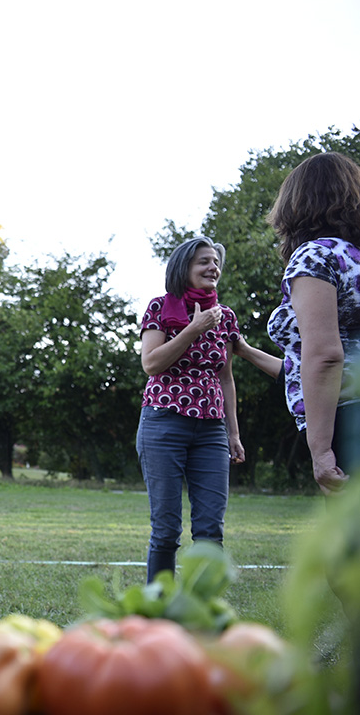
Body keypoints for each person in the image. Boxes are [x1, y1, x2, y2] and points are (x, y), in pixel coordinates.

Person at [136, 236, 244, 583]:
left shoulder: (225, 317)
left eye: (215, 262)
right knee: (166, 530)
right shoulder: (160, 308)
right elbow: (151, 364)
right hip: (163, 424)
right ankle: (158, 613)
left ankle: (202, 612)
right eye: (204, 262)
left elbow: (225, 377)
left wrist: (233, 433)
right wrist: (192, 329)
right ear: (184, 268)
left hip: (211, 430)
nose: (213, 268)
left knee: (211, 531)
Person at [267, 151, 360, 494]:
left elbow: (324, 355)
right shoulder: (353, 258)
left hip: (347, 419)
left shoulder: (315, 256)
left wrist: (321, 450)